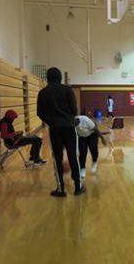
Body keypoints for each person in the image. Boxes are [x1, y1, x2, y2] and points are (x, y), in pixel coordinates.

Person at [37, 67, 85, 197]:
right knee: (73, 156)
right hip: (69, 127)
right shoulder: (67, 90)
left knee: (57, 158)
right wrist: (70, 119)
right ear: (60, 77)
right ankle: (78, 187)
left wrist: (51, 122)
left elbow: (40, 113)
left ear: (47, 78)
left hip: (54, 129)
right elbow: (74, 110)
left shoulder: (43, 93)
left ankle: (60, 189)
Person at [75, 114, 107, 179]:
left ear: (77, 120)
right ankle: (82, 169)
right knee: (82, 152)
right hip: (82, 137)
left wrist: (102, 138)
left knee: (93, 149)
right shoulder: (71, 124)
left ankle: (94, 162)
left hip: (92, 135)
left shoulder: (85, 120)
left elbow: (96, 129)